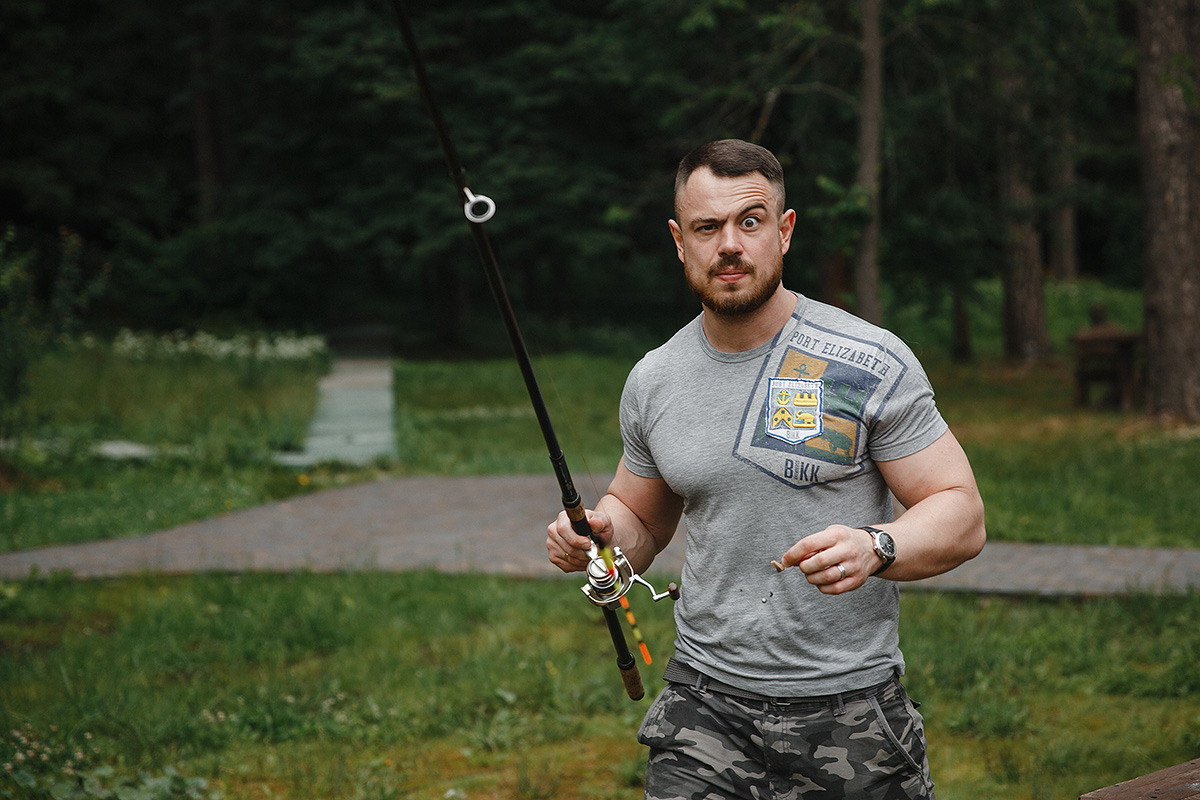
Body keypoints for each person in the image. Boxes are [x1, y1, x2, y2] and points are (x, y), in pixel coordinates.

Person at [546, 139, 985, 799]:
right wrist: (599, 537)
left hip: (850, 710)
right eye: (707, 227)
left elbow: (962, 512)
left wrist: (877, 545)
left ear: (783, 232)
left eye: (749, 222)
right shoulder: (655, 379)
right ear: (679, 241)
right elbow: (637, 520)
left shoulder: (866, 359)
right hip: (704, 708)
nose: (729, 244)